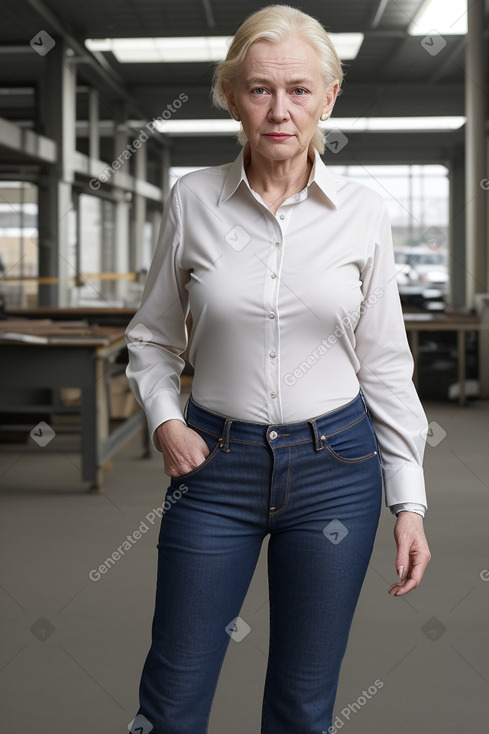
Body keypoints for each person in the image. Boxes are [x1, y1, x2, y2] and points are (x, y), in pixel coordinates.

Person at [125, 5, 431, 733]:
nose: (279, 110)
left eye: (298, 90)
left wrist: (408, 500)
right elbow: (152, 339)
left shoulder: (362, 212)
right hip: (212, 470)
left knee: (302, 707)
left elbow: (385, 363)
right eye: (259, 89)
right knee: (170, 702)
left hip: (336, 470)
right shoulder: (193, 198)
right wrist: (166, 422)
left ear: (328, 97)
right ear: (231, 96)